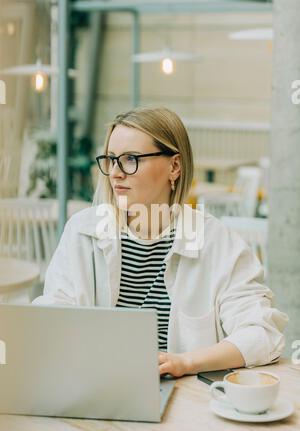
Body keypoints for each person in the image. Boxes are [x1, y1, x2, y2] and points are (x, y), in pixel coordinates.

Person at [33, 107, 288, 378]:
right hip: (96, 384)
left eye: (130, 159)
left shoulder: (216, 242)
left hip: (185, 398)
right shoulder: (83, 232)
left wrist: (185, 362)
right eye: (110, 159)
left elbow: (262, 334)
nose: (116, 173)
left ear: (174, 166)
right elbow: (52, 319)